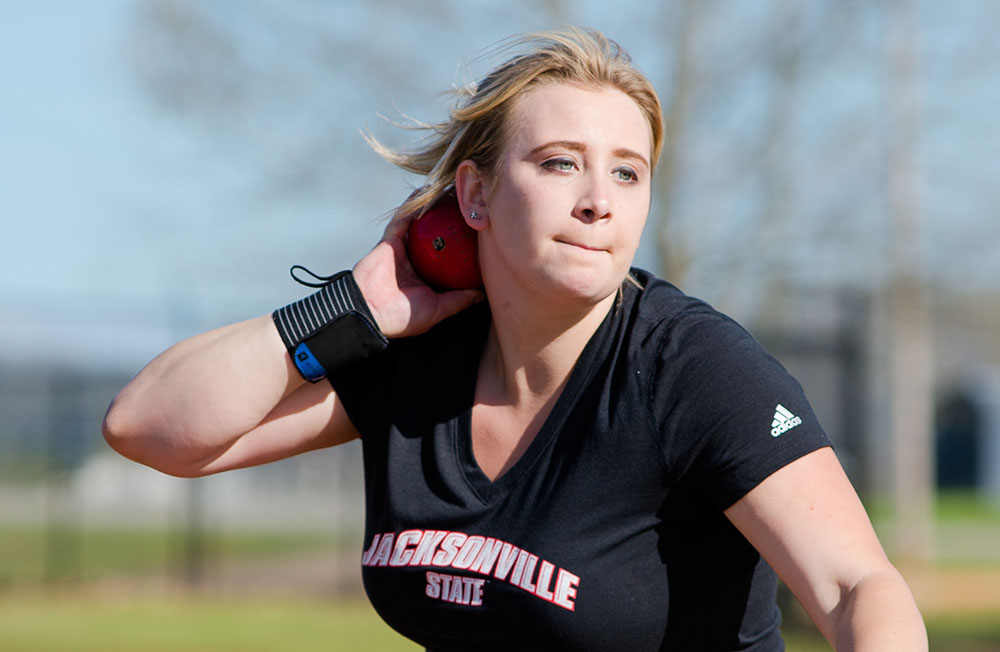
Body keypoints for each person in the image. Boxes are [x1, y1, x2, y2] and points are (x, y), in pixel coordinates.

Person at [103, 27, 927, 651]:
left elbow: (858, 586)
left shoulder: (691, 370)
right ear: (474, 196)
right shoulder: (416, 359)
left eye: (627, 172)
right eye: (561, 163)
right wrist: (349, 306)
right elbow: (152, 429)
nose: (599, 200)